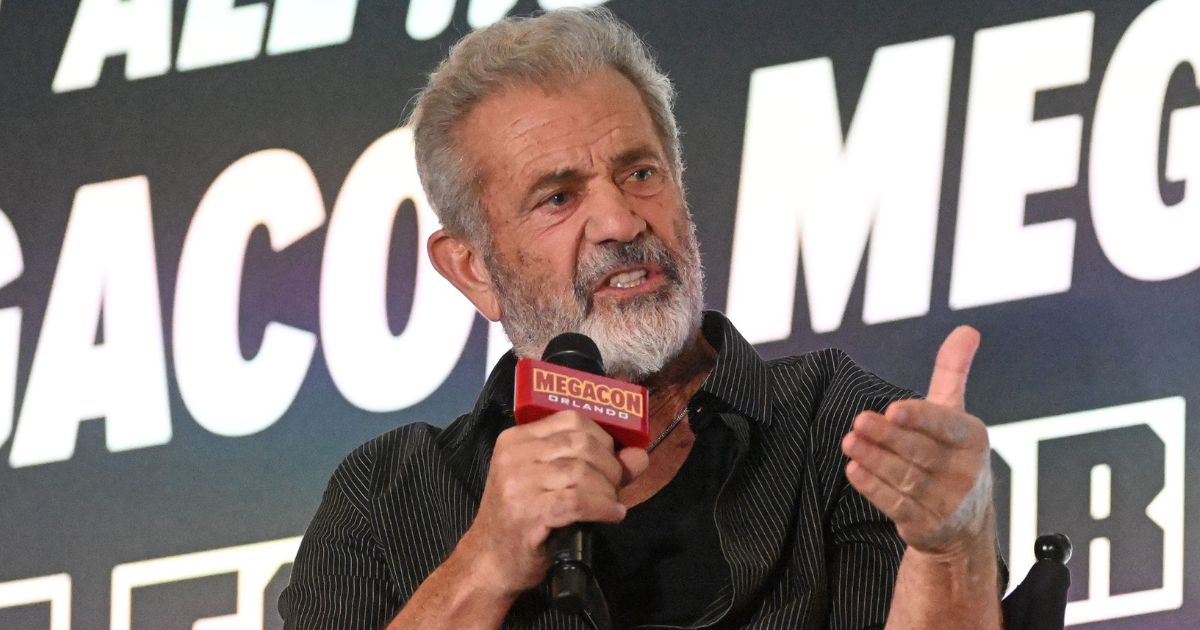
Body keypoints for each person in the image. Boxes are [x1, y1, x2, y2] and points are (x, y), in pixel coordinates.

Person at [280, 8, 1003, 629]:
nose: (621, 220)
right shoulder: (387, 499)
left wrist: (950, 549)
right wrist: (483, 564)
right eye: (558, 197)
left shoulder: (844, 430)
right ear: (472, 268)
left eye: (640, 173)